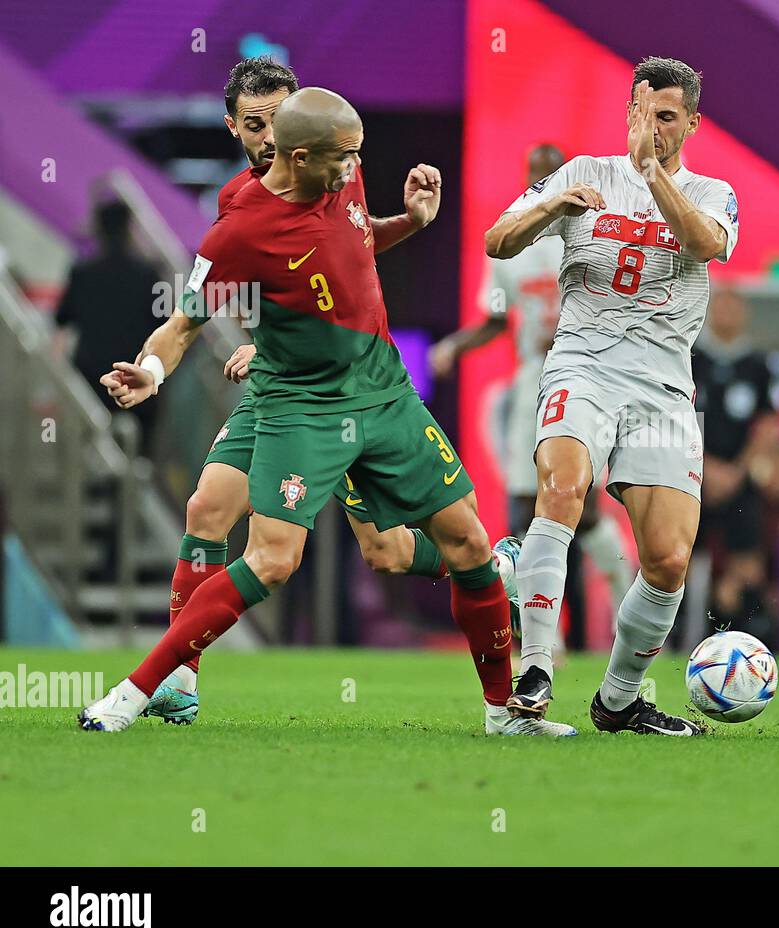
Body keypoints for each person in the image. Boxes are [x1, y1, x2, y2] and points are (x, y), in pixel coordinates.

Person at [79, 87, 572, 737]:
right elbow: (185, 321)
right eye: (344, 159)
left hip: (385, 392)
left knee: (467, 543)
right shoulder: (239, 229)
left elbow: (355, 247)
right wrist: (149, 370)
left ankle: (504, 714)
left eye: (357, 156)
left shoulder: (344, 169)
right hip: (304, 407)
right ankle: (140, 690)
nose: (354, 169)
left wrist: (414, 221)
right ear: (303, 156)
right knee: (271, 559)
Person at [484, 56, 738, 735]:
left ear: (690, 123)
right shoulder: (582, 174)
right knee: (562, 492)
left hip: (660, 387)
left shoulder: (713, 192)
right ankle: (536, 669)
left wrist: (655, 177)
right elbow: (496, 242)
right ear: (628, 111)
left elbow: (704, 243)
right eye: (643, 113)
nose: (652, 128)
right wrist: (548, 209)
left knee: (667, 560)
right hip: (583, 367)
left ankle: (620, 699)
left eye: (667, 118)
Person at [433, 144, 632, 640]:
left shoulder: (592, 229)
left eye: (549, 176)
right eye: (533, 178)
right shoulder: (514, 245)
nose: (540, 186)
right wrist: (456, 346)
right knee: (526, 508)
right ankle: (545, 635)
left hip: (588, 379)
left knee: (579, 508)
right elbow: (498, 318)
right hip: (532, 383)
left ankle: (627, 597)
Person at [692, 285, 779, 646]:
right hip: (693, 474)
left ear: (743, 313)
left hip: (739, 479)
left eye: (733, 307)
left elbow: (767, 424)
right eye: (721, 306)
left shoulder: (758, 364)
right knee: (674, 558)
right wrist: (707, 465)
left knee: (747, 563)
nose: (727, 314)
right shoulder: (692, 357)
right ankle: (673, 636)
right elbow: (677, 415)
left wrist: (738, 470)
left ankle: (742, 640)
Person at [56, 200, 163, 447]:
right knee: (136, 446)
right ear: (128, 227)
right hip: (133, 372)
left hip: (90, 374)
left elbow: (62, 318)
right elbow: (162, 325)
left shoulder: (82, 272)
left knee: (89, 443)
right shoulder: (148, 274)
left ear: (99, 228)